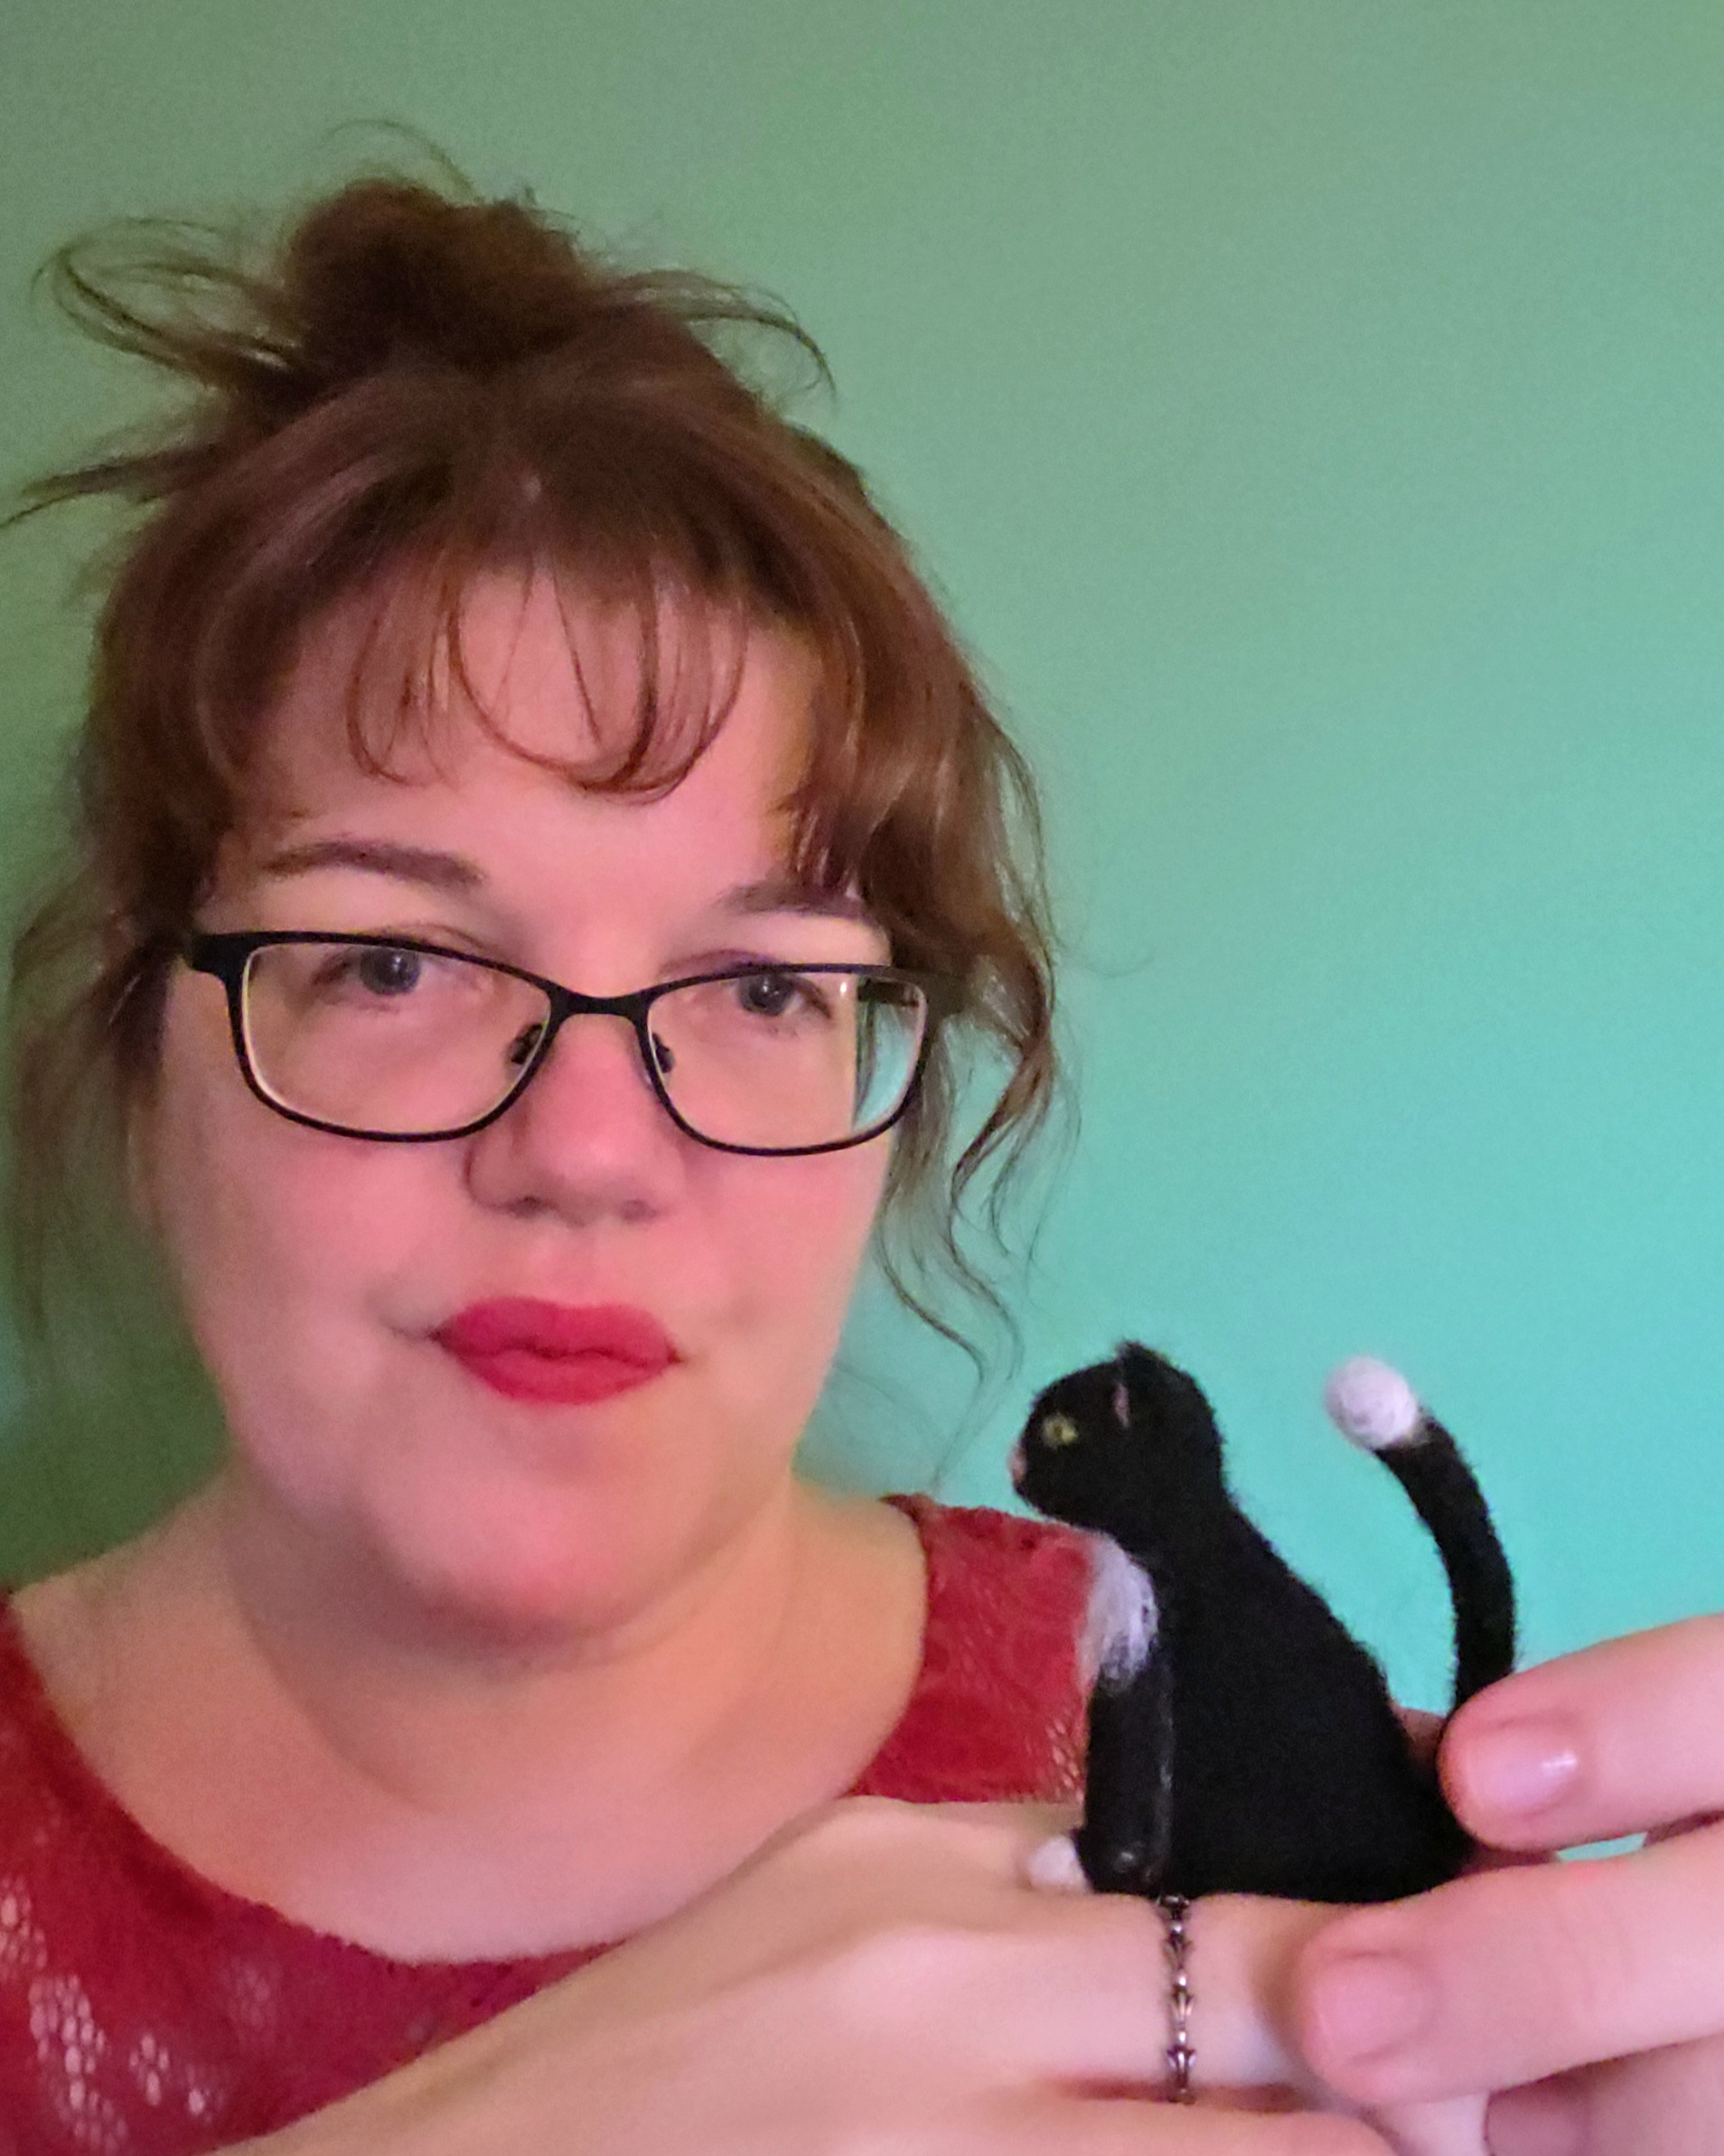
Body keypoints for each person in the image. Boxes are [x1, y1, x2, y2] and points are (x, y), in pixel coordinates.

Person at [0, 168, 1713, 2156]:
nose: (588, 1151)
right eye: (390, 962)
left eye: (762, 988)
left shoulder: (1180, 1725)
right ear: (143, 1047)